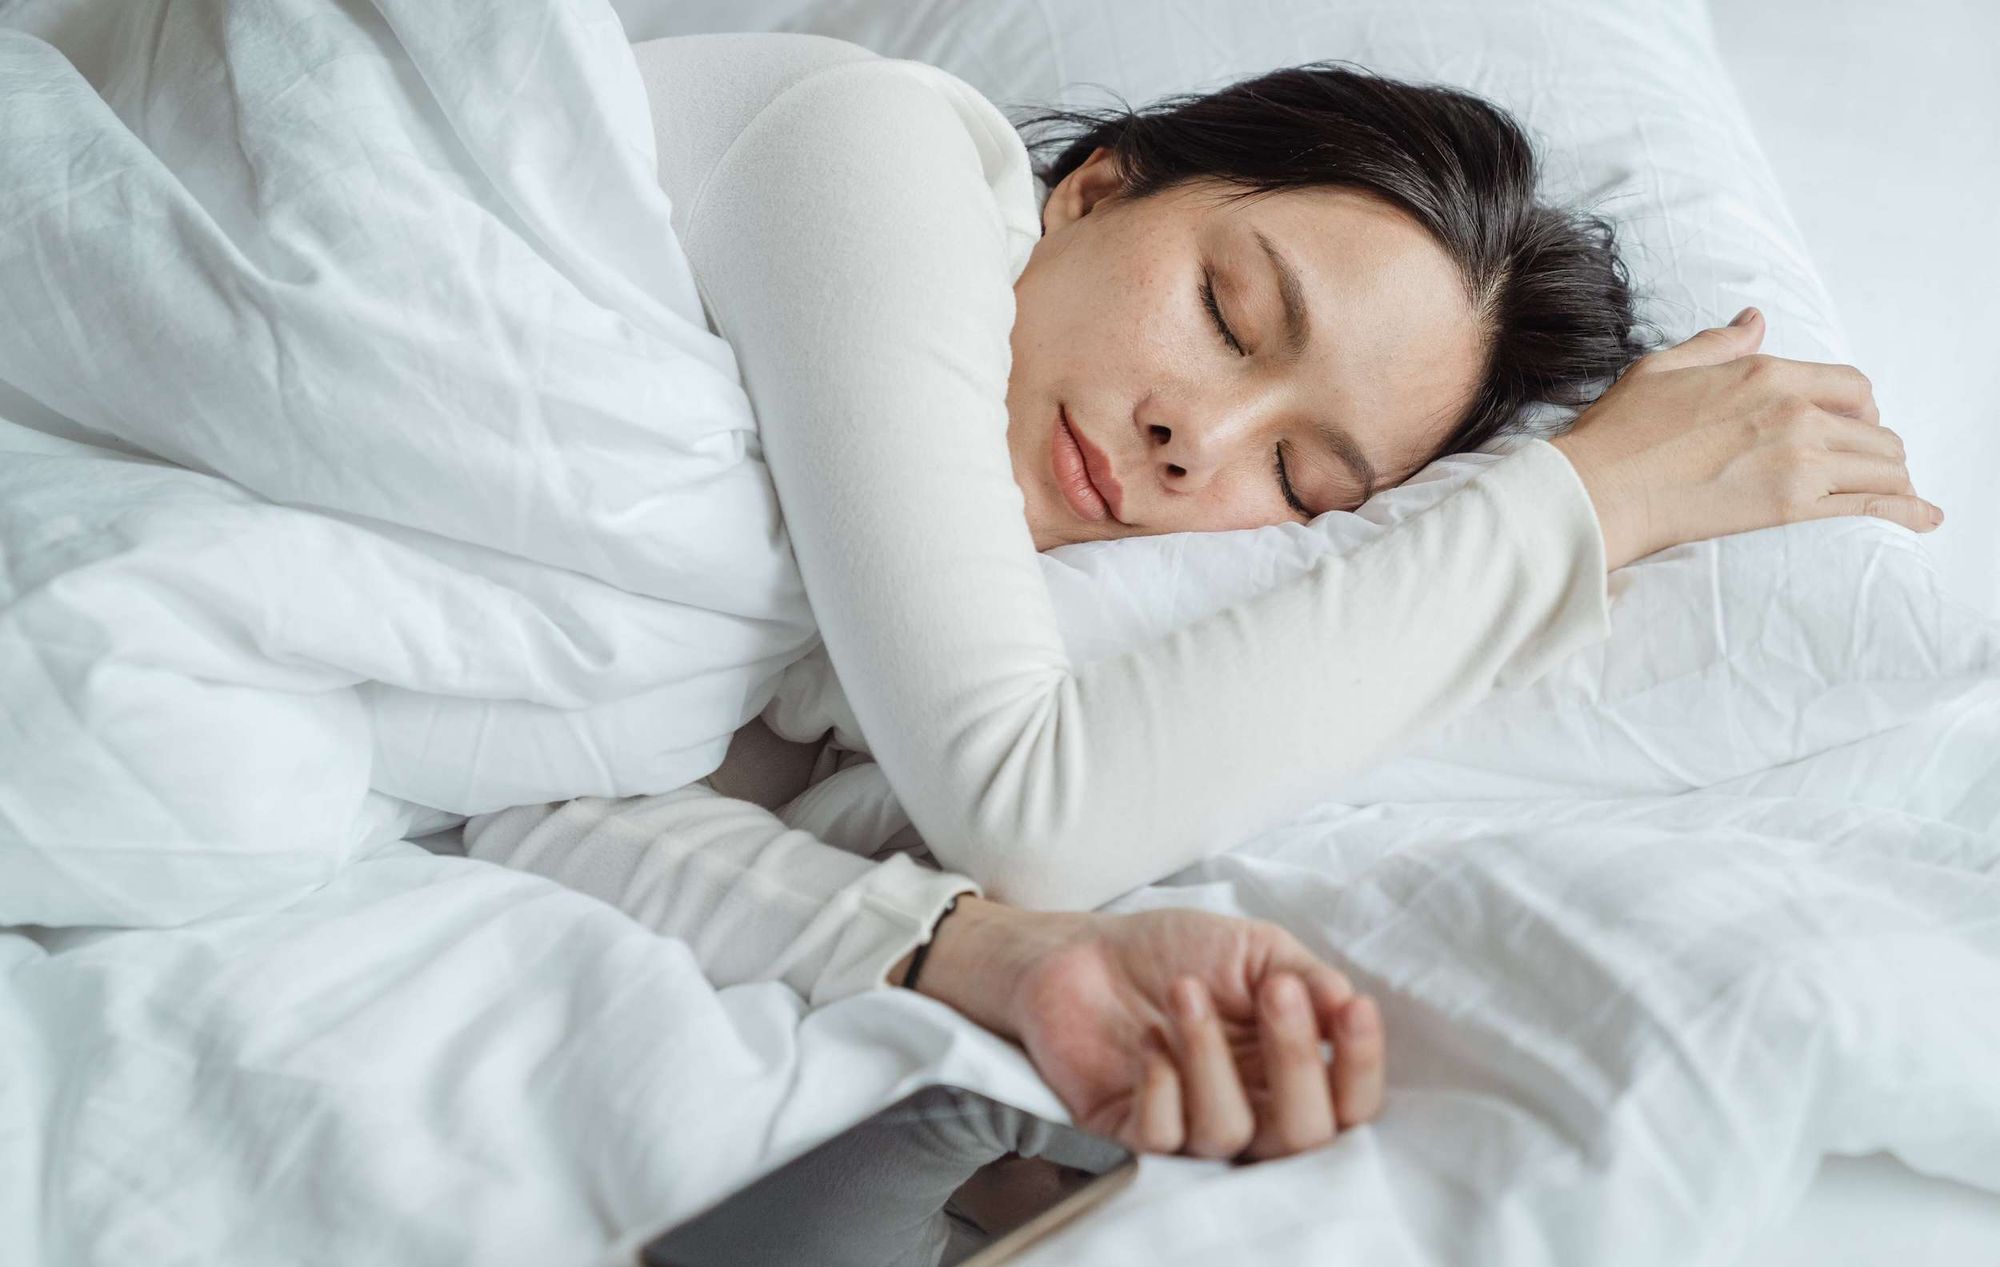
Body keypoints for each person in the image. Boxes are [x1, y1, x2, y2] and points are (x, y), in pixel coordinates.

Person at [465, 31, 1936, 1166]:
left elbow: (523, 798)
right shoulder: (873, 149)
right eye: (1231, 314)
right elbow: (1030, 806)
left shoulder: (815, 628)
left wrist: (987, 955)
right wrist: (1589, 505)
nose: (1198, 442)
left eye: (1302, 485)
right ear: (1095, 188)